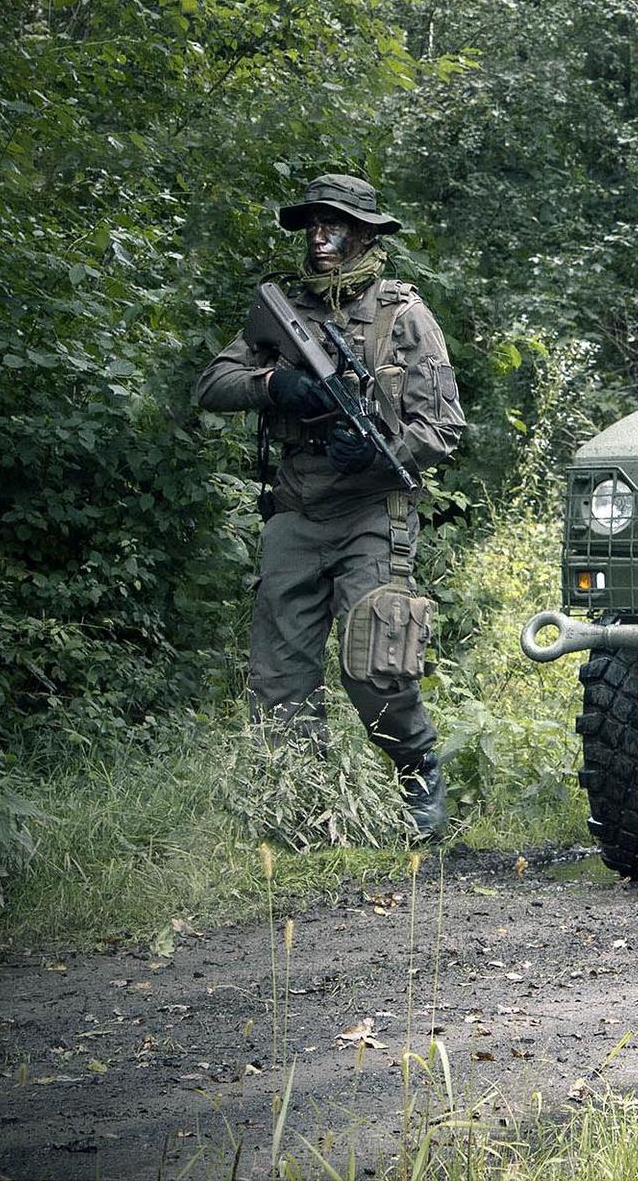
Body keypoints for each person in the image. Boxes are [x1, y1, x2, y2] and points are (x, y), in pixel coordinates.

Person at [194, 174, 466, 838]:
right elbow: (213, 384)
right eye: (313, 223)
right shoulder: (286, 313)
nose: (320, 236)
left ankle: (417, 770)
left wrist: (372, 450)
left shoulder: (403, 316)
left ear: (367, 233)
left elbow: (445, 428)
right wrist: (276, 383)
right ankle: (301, 810)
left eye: (335, 224)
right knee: (278, 675)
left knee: (376, 661)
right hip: (296, 507)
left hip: (372, 509)